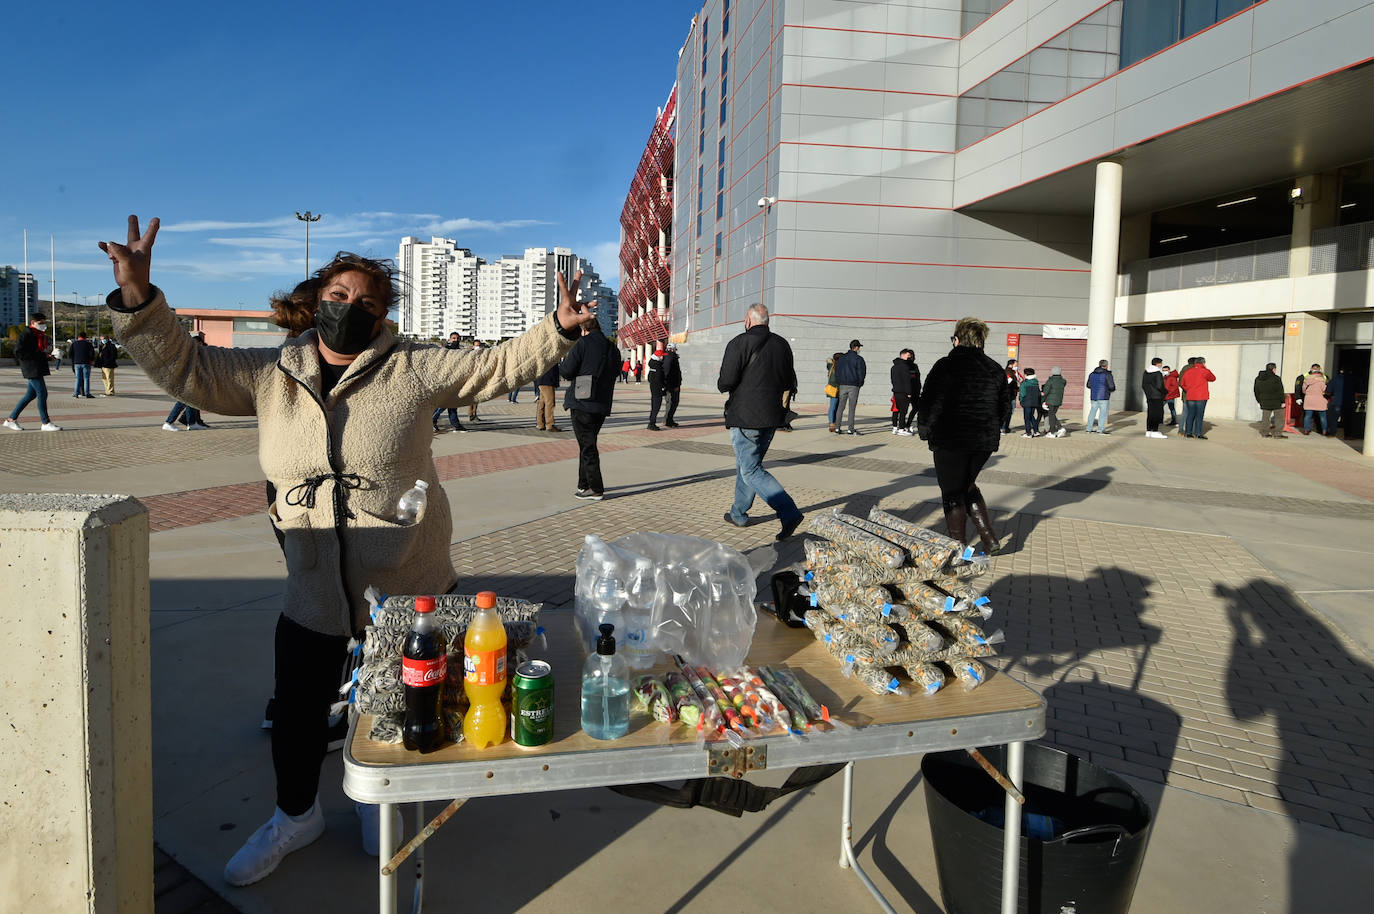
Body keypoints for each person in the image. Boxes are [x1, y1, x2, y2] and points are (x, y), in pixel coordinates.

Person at [97, 215, 595, 886]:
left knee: (397, 704)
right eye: (338, 296)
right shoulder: (269, 373)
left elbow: (495, 365)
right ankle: (294, 817)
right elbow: (186, 369)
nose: (349, 309)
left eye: (366, 302)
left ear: (384, 314)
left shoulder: (413, 368)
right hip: (311, 587)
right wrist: (139, 299)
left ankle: (377, 805)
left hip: (409, 581)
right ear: (316, 299)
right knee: (300, 711)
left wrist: (557, 330)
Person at [916, 316, 1004, 554]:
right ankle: (988, 537)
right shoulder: (994, 368)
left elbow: (930, 401)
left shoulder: (945, 365)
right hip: (983, 443)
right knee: (966, 485)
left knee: (952, 493)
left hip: (951, 439)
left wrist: (925, 429)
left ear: (957, 339)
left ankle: (958, 546)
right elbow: (1003, 407)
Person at [718, 304, 804, 539]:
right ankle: (738, 513)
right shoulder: (782, 344)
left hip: (746, 416)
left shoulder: (739, 342)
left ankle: (789, 512)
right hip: (772, 416)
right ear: (767, 320)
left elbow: (725, 382)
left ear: (748, 319)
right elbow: (789, 379)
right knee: (747, 465)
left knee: (751, 469)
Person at [560, 324, 621, 500]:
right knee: (587, 444)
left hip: (582, 401)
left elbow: (567, 372)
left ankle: (595, 488)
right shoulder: (612, 347)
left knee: (588, 446)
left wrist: (564, 361)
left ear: (584, 330)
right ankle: (583, 485)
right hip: (601, 402)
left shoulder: (583, 343)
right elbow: (616, 371)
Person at [3, 312, 62, 431]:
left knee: (30, 395)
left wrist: (47, 356)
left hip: (36, 367)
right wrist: (38, 355)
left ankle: (10, 420)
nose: (43, 325)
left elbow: (37, 352)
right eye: (41, 323)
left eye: (44, 323)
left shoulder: (38, 335)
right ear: (32, 323)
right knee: (42, 393)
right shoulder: (26, 334)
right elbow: (18, 352)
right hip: (31, 368)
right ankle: (45, 423)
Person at [163, 332, 211, 430]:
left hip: (190, 380)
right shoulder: (189, 353)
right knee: (183, 402)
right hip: (187, 381)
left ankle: (191, 423)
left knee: (189, 402)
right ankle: (169, 422)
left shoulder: (194, 352)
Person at [431, 332, 467, 432]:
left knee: (453, 405)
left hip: (456, 381)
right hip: (445, 381)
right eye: (453, 338)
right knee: (443, 404)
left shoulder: (460, 352)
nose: (456, 340)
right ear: (450, 339)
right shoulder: (445, 351)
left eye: (457, 338)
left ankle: (456, 424)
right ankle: (432, 421)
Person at [833, 339, 866, 435]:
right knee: (852, 408)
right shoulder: (859, 359)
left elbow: (837, 372)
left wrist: (840, 382)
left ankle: (837, 428)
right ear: (856, 348)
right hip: (854, 385)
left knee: (840, 407)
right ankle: (850, 429)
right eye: (859, 347)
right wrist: (860, 383)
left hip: (842, 385)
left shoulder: (841, 359)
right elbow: (861, 373)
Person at [1179, 355, 1216, 439]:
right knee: (1199, 415)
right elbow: (1213, 378)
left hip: (1190, 395)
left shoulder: (1188, 371)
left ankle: (1188, 432)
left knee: (1190, 414)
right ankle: (1198, 433)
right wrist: (1205, 368)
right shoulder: (1205, 371)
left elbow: (1182, 383)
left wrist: (1188, 389)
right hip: (1201, 396)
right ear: (1203, 362)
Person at [1253, 362, 1286, 438]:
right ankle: (1278, 434)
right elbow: (1280, 391)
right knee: (1279, 418)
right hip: (1276, 402)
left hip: (1264, 402)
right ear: (1274, 369)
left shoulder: (1258, 378)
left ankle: (1264, 433)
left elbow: (1256, 390)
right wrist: (1283, 401)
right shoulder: (1276, 379)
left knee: (1265, 418)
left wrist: (1259, 401)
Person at [890, 348, 917, 436]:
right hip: (904, 393)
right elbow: (907, 381)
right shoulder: (905, 367)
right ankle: (901, 429)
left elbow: (893, 380)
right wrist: (909, 393)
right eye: (908, 355)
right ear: (903, 355)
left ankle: (894, 428)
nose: (909, 357)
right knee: (903, 411)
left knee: (895, 410)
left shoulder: (893, 367)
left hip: (896, 392)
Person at [1085, 359, 1115, 433]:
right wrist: (1111, 390)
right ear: (1106, 365)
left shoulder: (1092, 374)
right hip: (1104, 396)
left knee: (1092, 412)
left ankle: (1089, 428)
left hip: (1094, 396)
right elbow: (1111, 386)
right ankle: (1100, 429)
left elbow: (1088, 385)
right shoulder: (1107, 374)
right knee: (1103, 414)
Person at [1141, 357, 1167, 438]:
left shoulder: (1146, 372)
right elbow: (1160, 386)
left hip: (1149, 396)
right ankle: (1155, 431)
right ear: (1158, 363)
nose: (1161, 365)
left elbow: (1143, 385)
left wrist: (1147, 393)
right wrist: (1165, 392)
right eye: (1161, 363)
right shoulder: (1157, 373)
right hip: (1157, 396)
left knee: (1150, 413)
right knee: (1157, 413)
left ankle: (1148, 430)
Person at [1301, 365, 1330, 436]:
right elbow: (1325, 390)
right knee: (1323, 416)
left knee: (1308, 416)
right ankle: (1324, 431)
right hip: (1320, 400)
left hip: (1309, 400)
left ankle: (1306, 430)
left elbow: (1303, 390)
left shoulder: (1307, 379)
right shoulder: (1322, 380)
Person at [1041, 366, 1067, 437]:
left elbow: (1045, 392)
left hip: (1050, 400)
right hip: (1058, 400)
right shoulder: (1063, 381)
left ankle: (1054, 431)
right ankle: (1058, 429)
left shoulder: (1050, 381)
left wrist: (1042, 401)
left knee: (1051, 416)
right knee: (1052, 415)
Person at [661, 342, 682, 427]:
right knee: (673, 402)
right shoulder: (671, 357)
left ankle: (668, 419)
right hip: (672, 385)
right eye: (675, 349)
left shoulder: (666, 357)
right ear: (673, 349)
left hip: (668, 384)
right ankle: (668, 420)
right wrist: (675, 385)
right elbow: (672, 373)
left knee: (669, 402)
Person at [535, 362, 561, 431]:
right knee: (550, 403)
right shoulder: (551, 356)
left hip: (541, 380)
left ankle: (540, 423)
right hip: (548, 381)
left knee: (542, 402)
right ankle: (550, 425)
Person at [70, 331, 96, 398]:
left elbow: (70, 354)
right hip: (86, 363)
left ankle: (76, 393)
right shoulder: (88, 344)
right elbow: (92, 354)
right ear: (85, 337)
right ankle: (87, 393)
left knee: (78, 378)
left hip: (77, 363)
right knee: (86, 378)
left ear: (78, 337)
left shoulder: (74, 344)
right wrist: (91, 360)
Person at [1018, 368, 1041, 437]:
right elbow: (1038, 393)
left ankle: (1028, 433)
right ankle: (1036, 431)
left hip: (1027, 402)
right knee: (1031, 416)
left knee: (1027, 418)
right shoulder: (1036, 382)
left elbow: (1022, 394)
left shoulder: (1024, 384)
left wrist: (1021, 400)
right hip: (1034, 402)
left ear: (1026, 374)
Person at [999, 359, 1021, 435]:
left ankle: (1006, 428)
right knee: (1007, 412)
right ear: (1011, 364)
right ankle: (1002, 428)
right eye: (1016, 364)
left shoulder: (1013, 372)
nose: (1017, 366)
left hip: (1011, 394)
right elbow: (1007, 384)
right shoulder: (1008, 372)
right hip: (1008, 395)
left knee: (1010, 412)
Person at [646, 346, 665, 430]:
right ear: (659, 357)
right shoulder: (658, 366)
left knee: (654, 405)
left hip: (653, 388)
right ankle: (652, 423)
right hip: (657, 389)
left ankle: (651, 422)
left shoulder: (652, 365)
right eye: (662, 356)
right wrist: (662, 388)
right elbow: (658, 378)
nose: (663, 357)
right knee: (656, 406)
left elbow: (649, 377)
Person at [825, 351, 843, 433]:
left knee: (834, 407)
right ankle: (832, 424)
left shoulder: (831, 366)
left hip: (833, 389)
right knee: (833, 407)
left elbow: (828, 361)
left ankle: (833, 423)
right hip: (835, 389)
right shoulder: (837, 368)